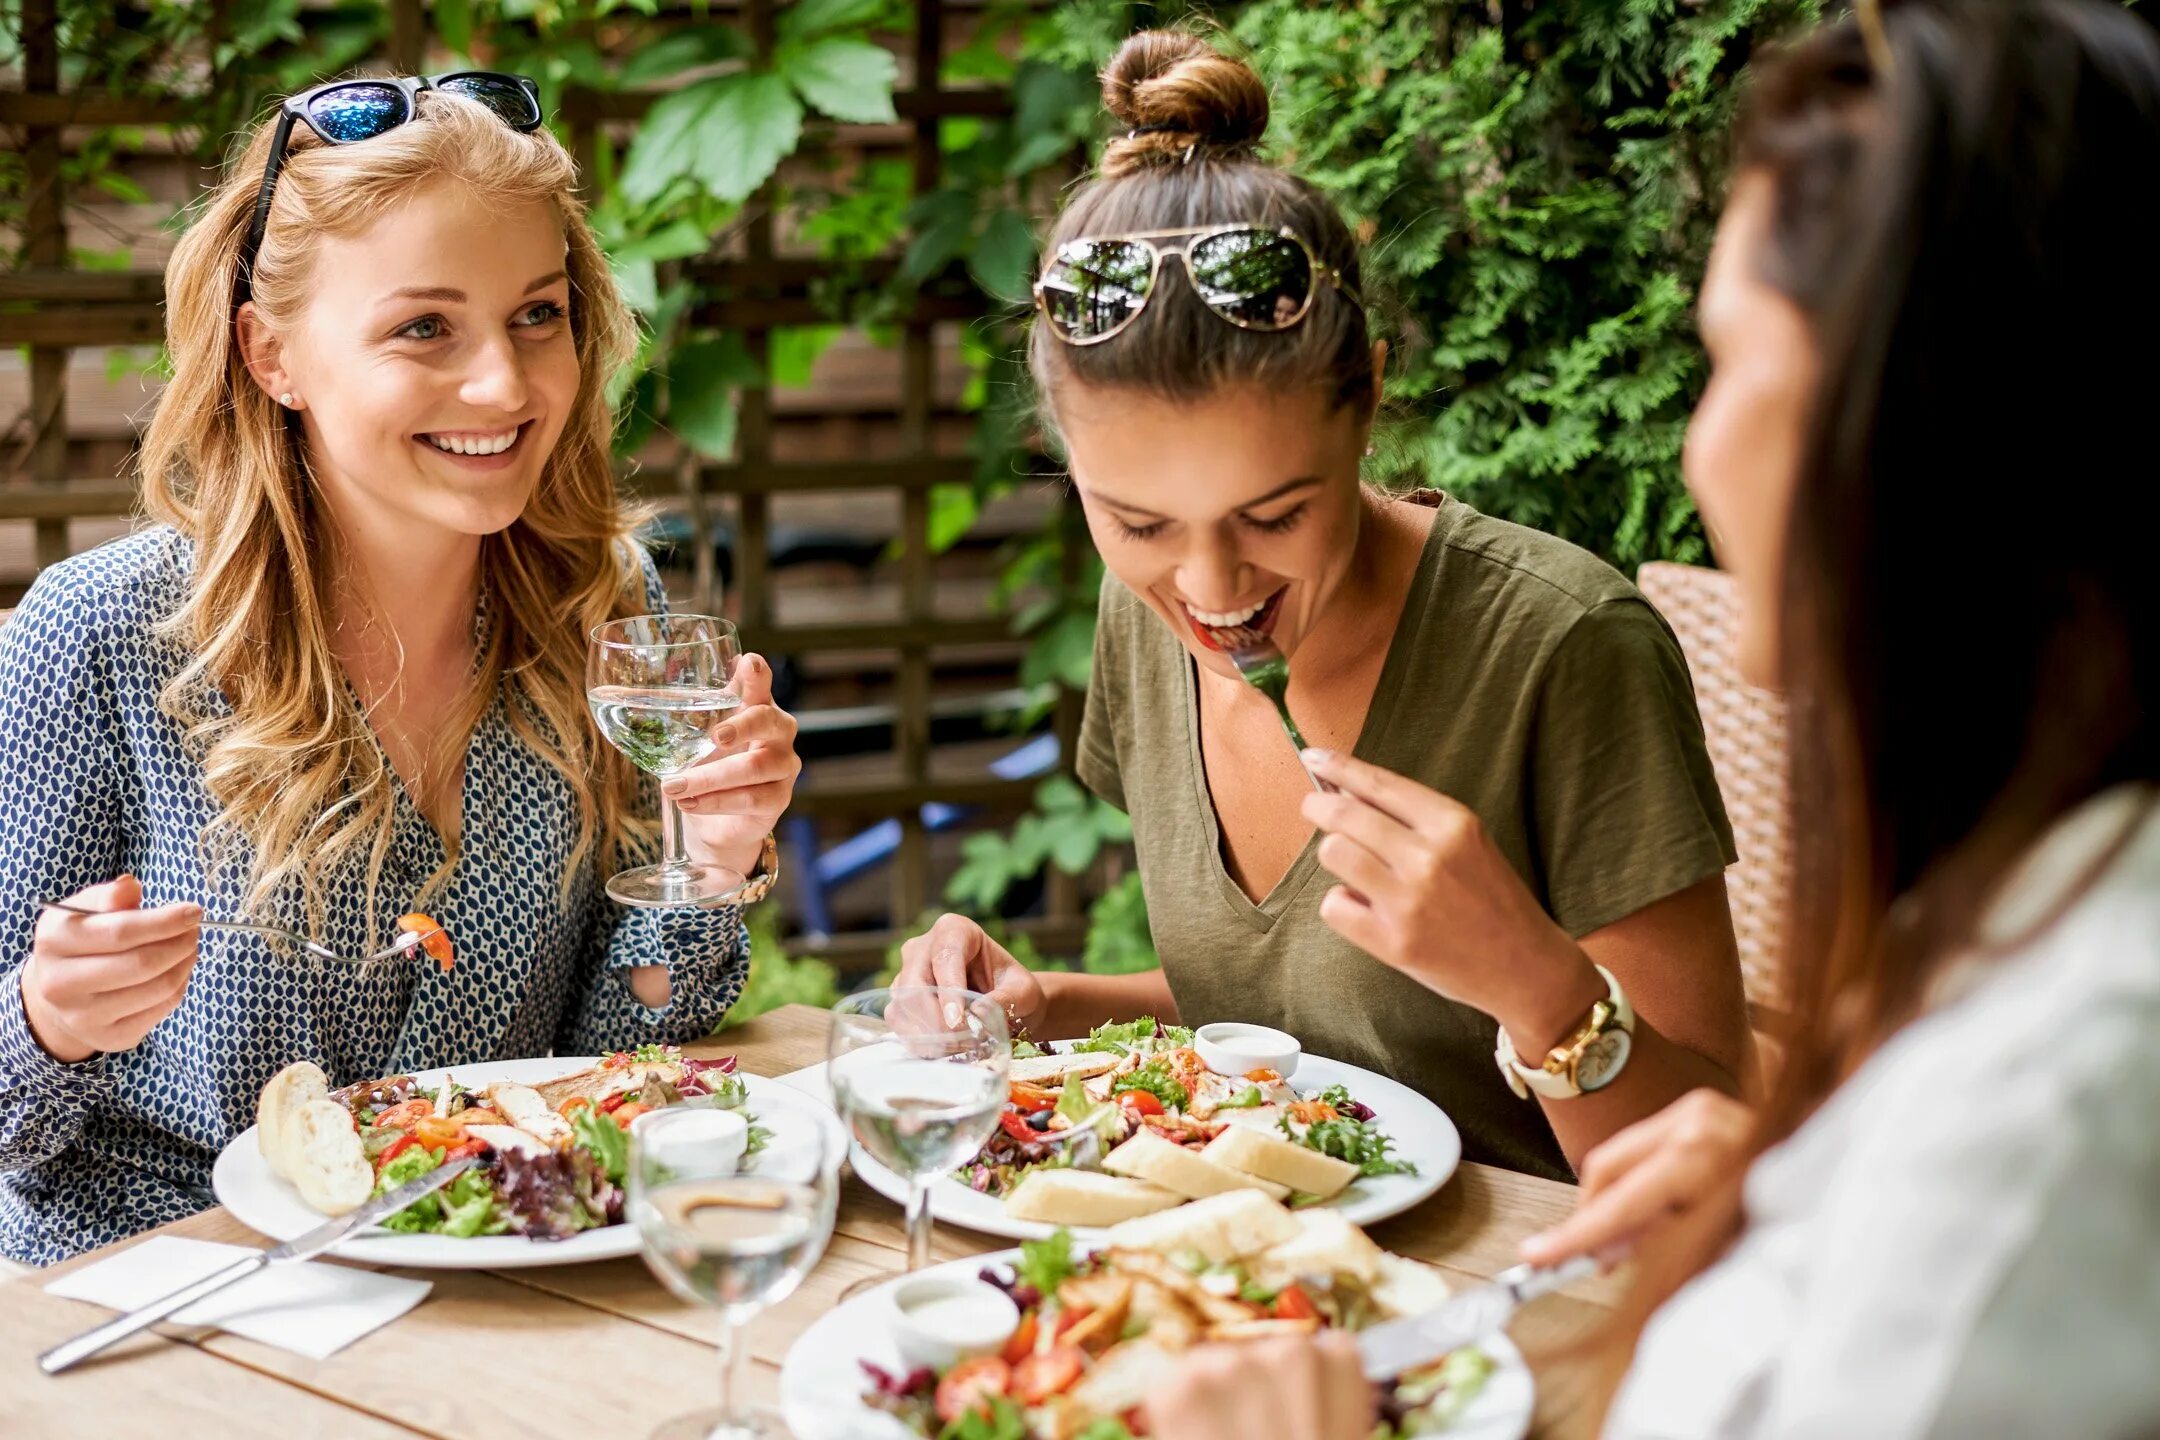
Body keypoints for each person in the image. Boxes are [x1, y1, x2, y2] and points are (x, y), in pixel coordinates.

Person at [1140, 2, 2160, 1435]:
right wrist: (1782, 1200)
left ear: (1930, 429)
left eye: (1733, 356)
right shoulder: (2026, 924)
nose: (1699, 439)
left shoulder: (2043, 1115)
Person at [899, 31, 1751, 1180]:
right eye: (1141, 524)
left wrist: (1533, 982)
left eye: (1275, 513)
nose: (1211, 591)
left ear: (1371, 400)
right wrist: (1045, 1005)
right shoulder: (1136, 620)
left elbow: (1721, 1169)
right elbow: (1290, 1018)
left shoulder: (1564, 645)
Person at [0, 76, 801, 1265]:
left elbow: (604, 1067)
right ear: (270, 353)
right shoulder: (102, 637)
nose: (505, 384)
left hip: (490, 1286)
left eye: (537, 315)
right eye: (424, 328)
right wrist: (46, 1022)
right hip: (168, 1295)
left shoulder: (602, 615)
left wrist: (713, 863)